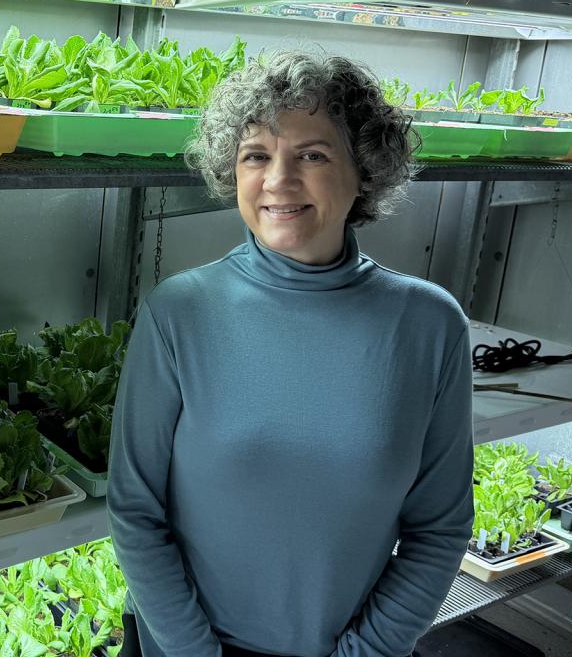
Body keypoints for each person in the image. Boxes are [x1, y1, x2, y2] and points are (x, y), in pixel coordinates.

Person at [108, 51, 473, 657]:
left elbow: (440, 527)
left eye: (312, 154)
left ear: (367, 171)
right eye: (256, 154)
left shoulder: (430, 327)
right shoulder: (179, 313)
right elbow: (134, 511)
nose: (278, 179)